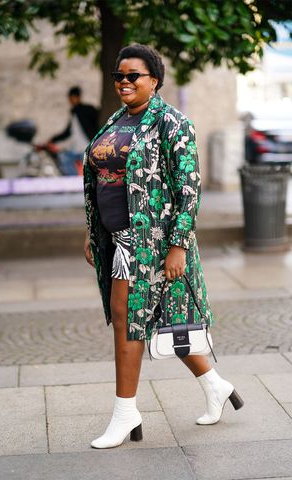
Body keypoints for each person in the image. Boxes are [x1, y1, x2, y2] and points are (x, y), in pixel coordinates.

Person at [83, 44, 244, 449]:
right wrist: (92, 232)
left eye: (132, 75)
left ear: (154, 80)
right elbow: (101, 179)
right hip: (116, 239)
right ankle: (216, 386)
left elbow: (189, 190)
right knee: (149, 321)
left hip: (151, 243)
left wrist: (178, 246)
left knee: (127, 321)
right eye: (118, 75)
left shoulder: (172, 123)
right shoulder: (117, 121)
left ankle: (125, 413)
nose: (123, 82)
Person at [49, 86, 99, 175]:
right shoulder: (74, 113)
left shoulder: (87, 110)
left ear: (77, 97)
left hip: (87, 148)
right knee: (63, 158)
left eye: (72, 98)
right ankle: (74, 182)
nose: (70, 101)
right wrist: (53, 140)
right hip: (75, 149)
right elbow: (68, 132)